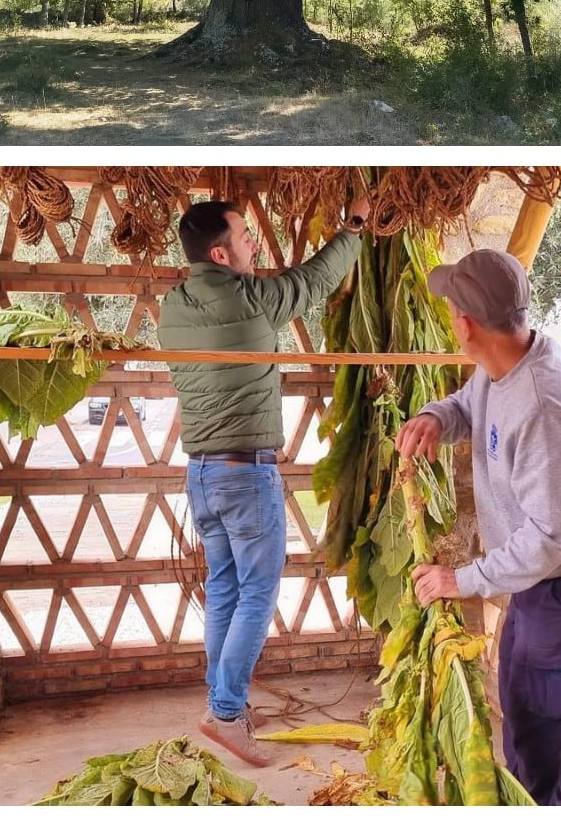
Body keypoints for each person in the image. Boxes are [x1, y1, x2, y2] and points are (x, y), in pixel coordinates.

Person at [160, 189, 371, 768]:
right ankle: (227, 714)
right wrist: (354, 226)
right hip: (246, 474)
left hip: (201, 475)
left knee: (226, 587)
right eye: (245, 236)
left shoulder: (172, 306)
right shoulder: (252, 301)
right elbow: (314, 279)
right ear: (222, 255)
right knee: (257, 592)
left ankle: (220, 706)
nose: (254, 244)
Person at [395, 248, 561, 806]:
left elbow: (550, 538)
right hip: (534, 584)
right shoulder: (503, 366)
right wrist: (437, 417)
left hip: (560, 586)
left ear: (464, 324)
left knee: (537, 727)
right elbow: (469, 403)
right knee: (521, 709)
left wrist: (462, 580)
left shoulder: (546, 409)